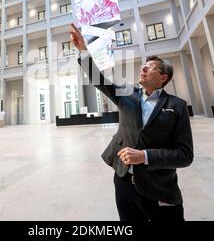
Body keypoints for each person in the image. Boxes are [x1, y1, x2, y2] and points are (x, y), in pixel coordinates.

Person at [70, 24, 193, 222]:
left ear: (163, 78)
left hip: (159, 187)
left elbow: (184, 155)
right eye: (144, 64)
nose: (143, 67)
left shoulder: (177, 106)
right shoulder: (126, 93)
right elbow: (99, 80)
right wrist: (84, 50)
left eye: (151, 67)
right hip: (124, 183)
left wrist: (144, 156)